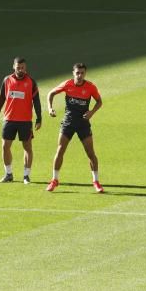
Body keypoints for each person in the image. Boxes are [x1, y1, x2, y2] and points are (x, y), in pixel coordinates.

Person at [45, 62, 103, 193]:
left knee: (90, 153)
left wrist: (92, 112)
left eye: (82, 73)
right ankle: (54, 180)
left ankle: (96, 181)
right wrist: (49, 108)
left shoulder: (90, 87)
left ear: (85, 73)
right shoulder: (67, 84)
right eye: (77, 73)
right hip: (68, 123)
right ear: (73, 73)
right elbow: (51, 93)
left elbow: (99, 101)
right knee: (60, 150)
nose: (80, 75)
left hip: (83, 123)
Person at [0, 56, 42, 184]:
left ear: (26, 68)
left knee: (27, 147)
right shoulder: (7, 80)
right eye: (18, 67)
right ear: (13, 67)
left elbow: (36, 101)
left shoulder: (31, 82)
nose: (20, 70)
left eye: (23, 68)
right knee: (5, 146)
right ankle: (8, 174)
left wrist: (39, 118)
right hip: (9, 119)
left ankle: (26, 176)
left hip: (25, 121)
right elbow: (1, 99)